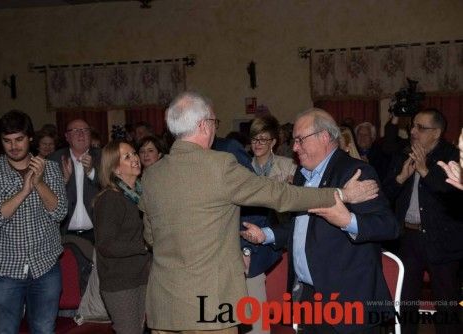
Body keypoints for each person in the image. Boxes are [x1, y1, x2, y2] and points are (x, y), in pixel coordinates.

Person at [138, 92, 379, 333]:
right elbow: (281, 196)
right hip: (209, 307)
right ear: (203, 125)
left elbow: (150, 238)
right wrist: (341, 194)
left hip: (164, 306)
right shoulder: (219, 166)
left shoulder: (151, 176)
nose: (214, 130)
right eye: (214, 123)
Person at [242, 108, 398, 333]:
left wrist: (348, 220)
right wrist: (266, 235)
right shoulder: (302, 174)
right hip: (310, 297)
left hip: (347, 302)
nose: (294, 148)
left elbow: (389, 226)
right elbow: (301, 225)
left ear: (324, 137)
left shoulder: (355, 172)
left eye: (299, 140)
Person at [0, 110, 67, 333]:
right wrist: (24, 191)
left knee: (44, 329)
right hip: (5, 269)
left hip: (45, 266)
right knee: (4, 330)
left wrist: (38, 182)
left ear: (30, 138)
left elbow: (60, 212)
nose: (14, 146)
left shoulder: (51, 169)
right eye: (7, 141)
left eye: (19, 139)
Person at [383, 109, 463, 334]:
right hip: (408, 239)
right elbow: (384, 195)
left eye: (421, 128)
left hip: (443, 241)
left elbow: (453, 195)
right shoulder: (403, 154)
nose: (413, 132)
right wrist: (400, 178)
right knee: (405, 302)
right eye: (413, 126)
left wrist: (425, 172)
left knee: (447, 305)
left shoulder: (453, 156)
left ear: (436, 132)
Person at [242, 115, 297, 334]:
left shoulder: (289, 167)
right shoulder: (242, 168)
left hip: (280, 238)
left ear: (274, 142)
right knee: (253, 305)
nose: (257, 144)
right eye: (254, 139)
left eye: (263, 139)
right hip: (250, 239)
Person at [93, 140, 151, 333]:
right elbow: (106, 245)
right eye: (127, 157)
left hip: (143, 276)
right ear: (115, 169)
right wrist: (145, 244)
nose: (135, 158)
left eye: (134, 153)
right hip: (121, 283)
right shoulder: (110, 198)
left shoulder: (141, 194)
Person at [48, 119, 101, 243]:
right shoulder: (54, 160)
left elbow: (111, 188)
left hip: (96, 234)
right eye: (76, 131)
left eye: (85, 130)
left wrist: (91, 172)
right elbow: (45, 197)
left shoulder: (102, 157)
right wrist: (63, 182)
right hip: (64, 234)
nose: (81, 134)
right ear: (67, 137)